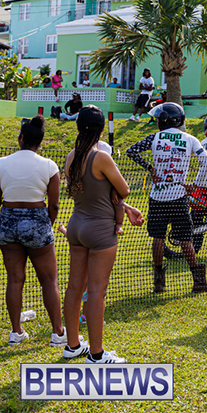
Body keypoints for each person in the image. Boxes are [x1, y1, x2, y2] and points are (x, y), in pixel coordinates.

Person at [63, 106, 142, 363]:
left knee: (75, 288)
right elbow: (125, 189)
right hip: (100, 229)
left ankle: (73, 345)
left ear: (77, 127)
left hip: (76, 225)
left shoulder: (70, 156)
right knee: (97, 291)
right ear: (100, 130)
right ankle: (96, 355)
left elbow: (78, 189)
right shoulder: (101, 157)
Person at [126, 103, 207, 293]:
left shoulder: (155, 137)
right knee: (185, 239)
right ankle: (198, 281)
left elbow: (131, 151)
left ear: (165, 119)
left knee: (158, 237)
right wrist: (195, 184)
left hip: (158, 196)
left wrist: (150, 169)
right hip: (179, 196)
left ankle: (159, 282)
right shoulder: (190, 139)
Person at [0, 117, 64, 347]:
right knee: (48, 281)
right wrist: (47, 224)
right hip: (37, 220)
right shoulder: (48, 165)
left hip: (7, 220)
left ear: (21, 138)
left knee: (14, 280)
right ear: (40, 141)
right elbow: (54, 205)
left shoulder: (1, 163)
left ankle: (16, 332)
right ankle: (58, 333)